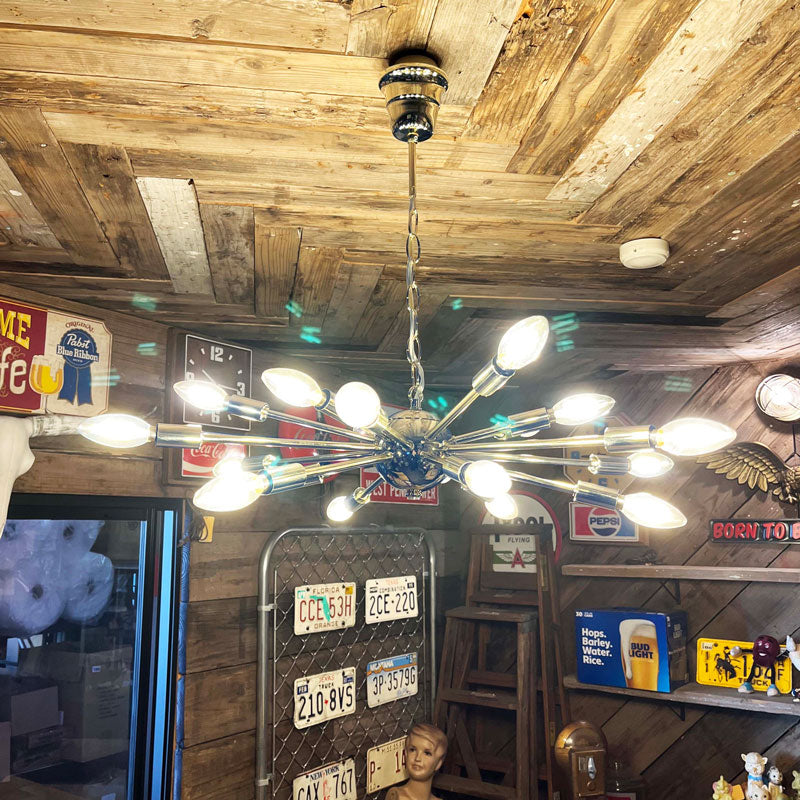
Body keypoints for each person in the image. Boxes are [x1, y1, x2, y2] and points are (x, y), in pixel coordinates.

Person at [386, 723, 448, 800]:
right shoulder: (396, 796)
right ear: (406, 754)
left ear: (439, 763)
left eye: (427, 753)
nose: (417, 758)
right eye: (412, 750)